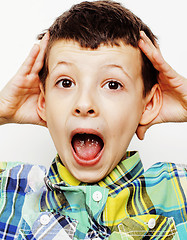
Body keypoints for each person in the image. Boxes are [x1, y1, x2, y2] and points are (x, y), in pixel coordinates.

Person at [0, 1, 186, 239]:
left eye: (112, 85)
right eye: (66, 83)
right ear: (43, 102)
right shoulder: (11, 191)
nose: (85, 104)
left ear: (148, 104)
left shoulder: (178, 189)